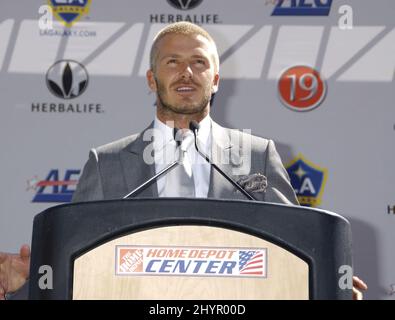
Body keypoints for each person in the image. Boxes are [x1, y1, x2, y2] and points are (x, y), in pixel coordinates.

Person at [0, 22, 367, 300]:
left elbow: (294, 248)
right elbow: (76, 263)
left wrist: (325, 281)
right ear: (151, 78)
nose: (186, 72)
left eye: (198, 62)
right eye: (172, 62)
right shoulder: (106, 163)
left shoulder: (258, 155)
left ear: (216, 79)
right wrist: (26, 284)